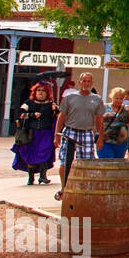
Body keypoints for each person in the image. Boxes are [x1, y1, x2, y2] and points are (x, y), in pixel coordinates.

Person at [53, 72, 105, 200]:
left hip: (87, 132)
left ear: (92, 83)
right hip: (70, 131)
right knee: (65, 160)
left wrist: (100, 137)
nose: (86, 83)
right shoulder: (70, 97)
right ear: (79, 82)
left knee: (87, 161)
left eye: (89, 81)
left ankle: (85, 187)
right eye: (84, 81)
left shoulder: (97, 99)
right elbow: (62, 116)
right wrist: (57, 134)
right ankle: (64, 188)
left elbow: (99, 119)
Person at [11, 82, 58, 185]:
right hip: (31, 134)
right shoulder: (29, 103)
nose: (41, 92)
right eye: (38, 90)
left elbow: (59, 117)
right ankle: (30, 177)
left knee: (44, 154)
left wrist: (56, 110)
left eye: (43, 90)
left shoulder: (51, 104)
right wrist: (32, 115)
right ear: (35, 92)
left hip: (46, 134)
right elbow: (19, 114)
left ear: (47, 92)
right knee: (30, 155)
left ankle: (42, 176)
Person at [97, 88, 129, 159]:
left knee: (118, 162)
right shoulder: (104, 107)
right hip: (105, 140)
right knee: (107, 161)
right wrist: (99, 136)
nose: (119, 100)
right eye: (116, 98)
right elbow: (98, 121)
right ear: (112, 97)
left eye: (121, 98)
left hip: (121, 141)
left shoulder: (127, 108)